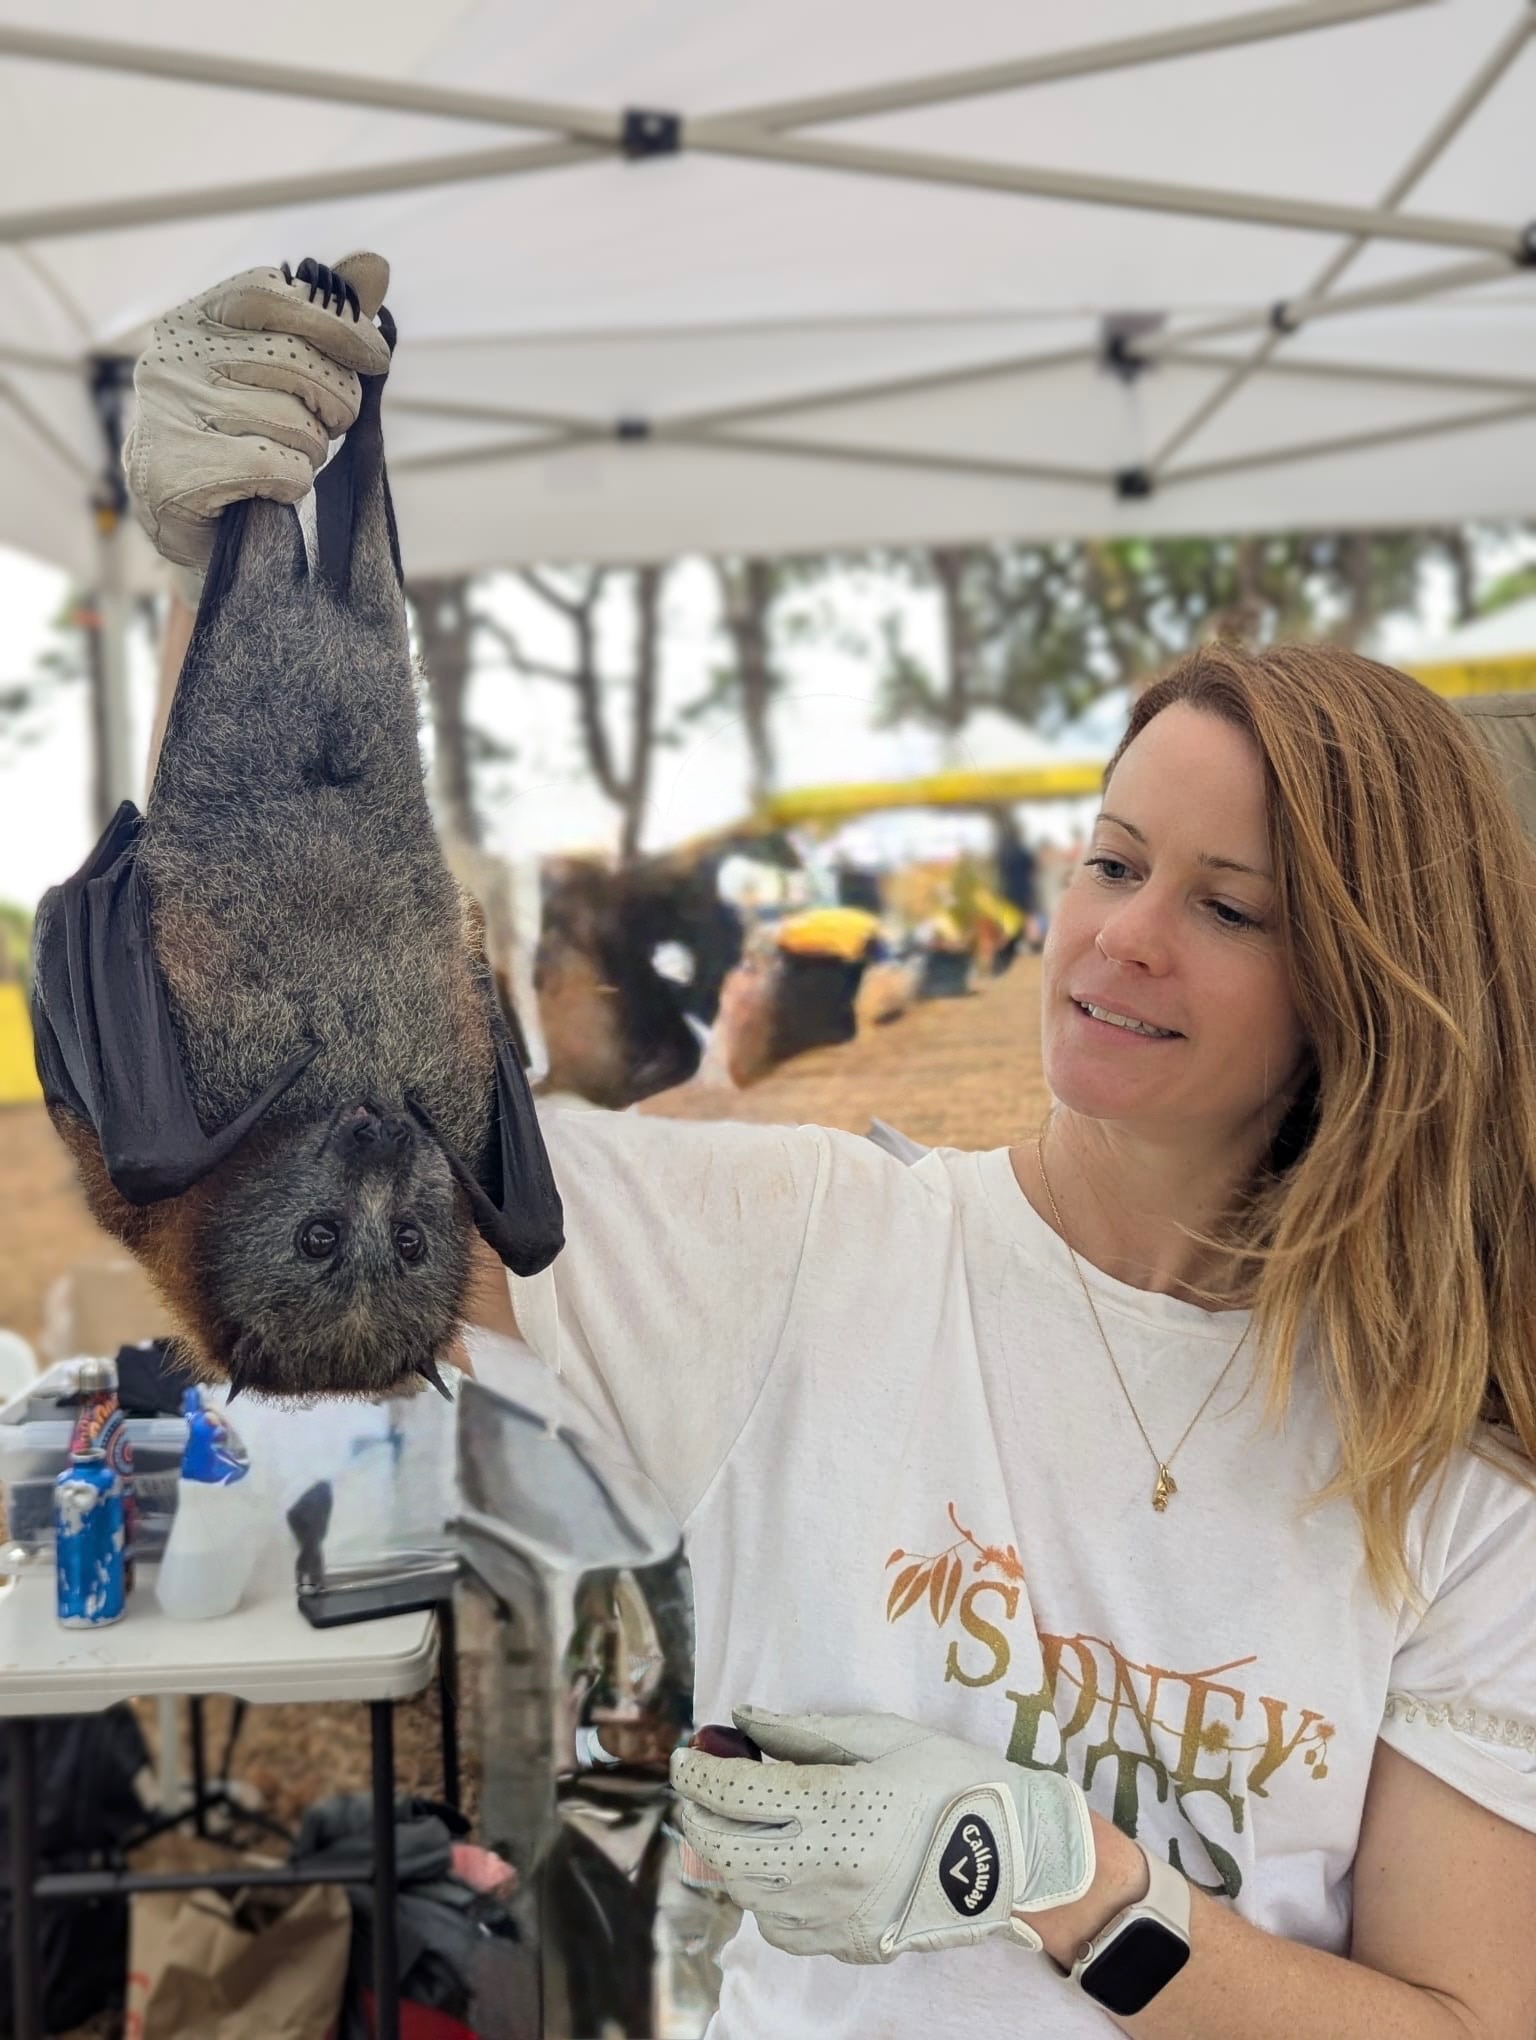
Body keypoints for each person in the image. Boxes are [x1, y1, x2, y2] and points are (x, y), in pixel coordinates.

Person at [126, 257, 1536, 2038]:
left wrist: (1055, 1876)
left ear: (1373, 984)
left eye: (1228, 906)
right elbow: (273, 1147)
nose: (1119, 939)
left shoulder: (1445, 1467)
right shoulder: (811, 1253)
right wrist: (222, 568)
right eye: (1109, 862)